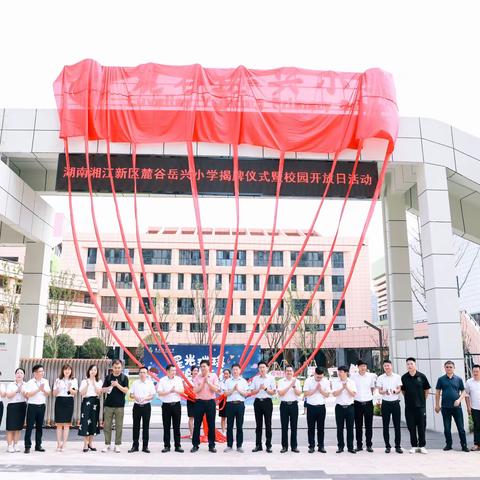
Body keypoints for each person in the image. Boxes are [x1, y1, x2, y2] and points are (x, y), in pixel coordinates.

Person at [435, 360, 469, 452]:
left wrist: (459, 400)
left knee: (461, 428)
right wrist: (437, 405)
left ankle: (464, 445)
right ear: (445, 368)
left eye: (450, 367)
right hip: (445, 407)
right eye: (447, 367)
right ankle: (449, 444)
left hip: (457, 408)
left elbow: (464, 391)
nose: (449, 368)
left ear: (454, 368)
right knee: (447, 428)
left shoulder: (458, 379)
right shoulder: (441, 379)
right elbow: (437, 392)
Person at [401, 357, 431, 454]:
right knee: (411, 427)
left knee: (422, 426)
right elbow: (403, 391)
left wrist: (422, 400)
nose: (409, 366)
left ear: (415, 365)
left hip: (421, 407)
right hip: (409, 407)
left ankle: (422, 445)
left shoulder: (422, 376)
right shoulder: (404, 377)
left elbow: (427, 390)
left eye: (411, 364)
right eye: (408, 364)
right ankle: (414, 445)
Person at [191, 359, 220, 453]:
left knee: (211, 424)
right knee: (197, 424)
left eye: (204, 366)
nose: (203, 368)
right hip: (199, 402)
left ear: (208, 367)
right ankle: (195, 445)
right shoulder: (197, 377)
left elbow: (216, 390)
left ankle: (211, 445)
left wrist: (208, 382)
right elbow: (195, 391)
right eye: (201, 366)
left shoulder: (214, 376)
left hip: (210, 402)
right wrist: (203, 383)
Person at [102, 359, 129, 453]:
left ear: (121, 368)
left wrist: (117, 385)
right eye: (115, 367)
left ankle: (117, 445)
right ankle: (107, 444)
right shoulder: (108, 377)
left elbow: (126, 390)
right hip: (108, 405)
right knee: (107, 426)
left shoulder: (124, 378)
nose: (117, 369)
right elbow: (103, 390)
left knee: (119, 426)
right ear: (112, 368)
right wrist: (111, 386)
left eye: (119, 368)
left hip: (120, 406)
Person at [22, 364, 51, 453]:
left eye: (43, 371)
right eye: (40, 371)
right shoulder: (30, 382)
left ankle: (38, 445)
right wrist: (38, 389)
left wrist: (43, 390)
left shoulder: (45, 381)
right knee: (29, 427)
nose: (42, 373)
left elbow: (48, 393)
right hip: (32, 406)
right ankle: (27, 446)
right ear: (35, 373)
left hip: (41, 406)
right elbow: (27, 395)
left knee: (39, 427)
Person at [376, 359, 403, 453]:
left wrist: (395, 391)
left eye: (388, 365)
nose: (387, 367)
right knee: (385, 426)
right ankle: (387, 446)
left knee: (397, 426)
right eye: (385, 366)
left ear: (391, 366)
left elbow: (399, 389)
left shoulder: (397, 377)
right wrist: (384, 391)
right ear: (383, 367)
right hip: (385, 404)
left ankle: (398, 446)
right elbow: (379, 391)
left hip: (395, 403)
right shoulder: (380, 378)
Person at [157, 364, 184, 453]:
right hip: (166, 406)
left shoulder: (178, 379)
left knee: (177, 426)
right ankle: (167, 446)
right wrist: (169, 391)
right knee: (166, 426)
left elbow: (182, 391)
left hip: (176, 405)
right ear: (167, 371)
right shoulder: (162, 380)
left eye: (175, 371)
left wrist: (175, 390)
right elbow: (160, 393)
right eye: (172, 370)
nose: (174, 372)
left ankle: (177, 446)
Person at [250, 361, 276, 453]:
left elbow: (273, 392)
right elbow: (252, 392)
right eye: (260, 367)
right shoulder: (255, 379)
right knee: (258, 425)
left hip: (267, 402)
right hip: (257, 402)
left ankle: (268, 445)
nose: (262, 369)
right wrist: (259, 389)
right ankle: (258, 445)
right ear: (258, 369)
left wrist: (265, 388)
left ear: (267, 368)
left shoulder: (271, 378)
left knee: (268, 424)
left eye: (263, 367)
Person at [128, 366, 156, 453]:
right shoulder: (135, 383)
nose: (142, 374)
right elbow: (131, 394)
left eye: (144, 372)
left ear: (147, 374)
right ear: (139, 373)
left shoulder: (150, 383)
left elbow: (152, 395)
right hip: (137, 406)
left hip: (146, 406)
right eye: (141, 372)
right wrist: (135, 397)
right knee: (135, 426)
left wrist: (145, 399)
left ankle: (145, 446)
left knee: (145, 427)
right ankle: (135, 446)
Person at [303, 367, 330, 453]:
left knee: (321, 428)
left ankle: (321, 446)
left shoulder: (326, 381)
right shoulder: (308, 380)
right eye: (318, 377)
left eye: (321, 377)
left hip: (321, 407)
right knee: (311, 428)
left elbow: (327, 395)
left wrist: (320, 389)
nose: (319, 379)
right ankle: (311, 446)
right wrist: (315, 389)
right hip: (311, 407)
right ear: (314, 374)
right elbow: (306, 394)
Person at [351, 359, 376, 453]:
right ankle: (359, 445)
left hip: (368, 403)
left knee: (369, 425)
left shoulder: (370, 376)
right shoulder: (353, 377)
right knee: (358, 425)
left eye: (365, 366)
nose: (363, 368)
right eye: (361, 366)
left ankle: (369, 445)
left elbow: (372, 388)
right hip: (357, 403)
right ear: (358, 367)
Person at [223, 363, 248, 453]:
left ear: (240, 370)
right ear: (232, 371)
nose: (235, 371)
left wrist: (238, 390)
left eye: (237, 369)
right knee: (229, 426)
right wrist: (233, 390)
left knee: (239, 426)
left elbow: (246, 394)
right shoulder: (228, 381)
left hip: (240, 405)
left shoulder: (243, 381)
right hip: (230, 405)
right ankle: (229, 445)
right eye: (233, 369)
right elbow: (225, 394)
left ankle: (239, 446)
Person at [53, 364, 78, 452]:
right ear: (62, 371)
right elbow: (54, 393)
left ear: (71, 371)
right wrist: (58, 388)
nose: (67, 371)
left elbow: (74, 393)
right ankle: (58, 444)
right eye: (65, 369)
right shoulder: (58, 380)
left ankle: (64, 444)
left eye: (69, 370)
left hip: (69, 401)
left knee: (67, 424)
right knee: (59, 424)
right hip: (59, 401)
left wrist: (69, 388)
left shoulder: (74, 380)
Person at [78, 364, 103, 452]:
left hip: (95, 402)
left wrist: (93, 383)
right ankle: (85, 444)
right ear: (89, 371)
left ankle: (91, 443)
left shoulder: (99, 381)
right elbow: (82, 393)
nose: (93, 371)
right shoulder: (84, 381)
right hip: (86, 402)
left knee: (93, 422)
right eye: (92, 370)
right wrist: (88, 384)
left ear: (97, 372)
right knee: (85, 422)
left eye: (95, 370)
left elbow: (99, 392)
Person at [277, 365, 302, 453]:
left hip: (294, 405)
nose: (289, 372)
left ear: (293, 372)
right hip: (284, 405)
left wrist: (294, 386)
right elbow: (281, 393)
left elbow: (299, 393)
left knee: (294, 426)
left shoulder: (297, 381)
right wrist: (290, 385)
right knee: (284, 427)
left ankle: (294, 446)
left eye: (290, 371)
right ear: (285, 372)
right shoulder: (281, 381)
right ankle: (284, 446)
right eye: (287, 371)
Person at [332, 365, 357, 454]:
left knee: (350, 428)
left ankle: (350, 447)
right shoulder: (336, 382)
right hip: (339, 407)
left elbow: (353, 394)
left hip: (350, 407)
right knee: (340, 428)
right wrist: (342, 388)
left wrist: (346, 388)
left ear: (346, 372)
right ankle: (340, 447)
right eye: (338, 371)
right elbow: (334, 394)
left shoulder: (352, 382)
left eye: (341, 371)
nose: (339, 373)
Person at [5, 368, 27, 453]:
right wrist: (17, 390)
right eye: (18, 373)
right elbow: (8, 396)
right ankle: (9, 445)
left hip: (22, 405)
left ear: (23, 375)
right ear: (15, 375)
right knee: (10, 427)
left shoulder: (26, 384)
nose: (19, 374)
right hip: (12, 406)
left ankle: (16, 444)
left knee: (18, 427)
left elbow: (28, 396)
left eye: (21, 373)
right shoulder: (11, 384)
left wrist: (23, 392)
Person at [465, 364, 480, 451]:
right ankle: (476, 444)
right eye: (474, 371)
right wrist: (468, 407)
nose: (475, 373)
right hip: (475, 408)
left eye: (477, 371)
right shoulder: (469, 382)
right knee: (477, 426)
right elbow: (466, 395)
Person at [187, 365, 199, 437]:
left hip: (198, 399)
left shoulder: (200, 379)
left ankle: (196, 433)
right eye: (194, 370)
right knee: (191, 417)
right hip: (190, 399)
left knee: (198, 417)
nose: (196, 372)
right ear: (191, 371)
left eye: (197, 371)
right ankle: (191, 433)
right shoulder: (188, 380)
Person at [218, 368, 230, 433]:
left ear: (229, 374)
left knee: (230, 417)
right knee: (223, 417)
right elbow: (218, 391)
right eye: (224, 374)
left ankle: (229, 431)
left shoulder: (231, 382)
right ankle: (223, 431)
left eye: (227, 374)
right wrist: (222, 394)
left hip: (230, 400)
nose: (226, 375)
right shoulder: (221, 382)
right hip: (222, 400)